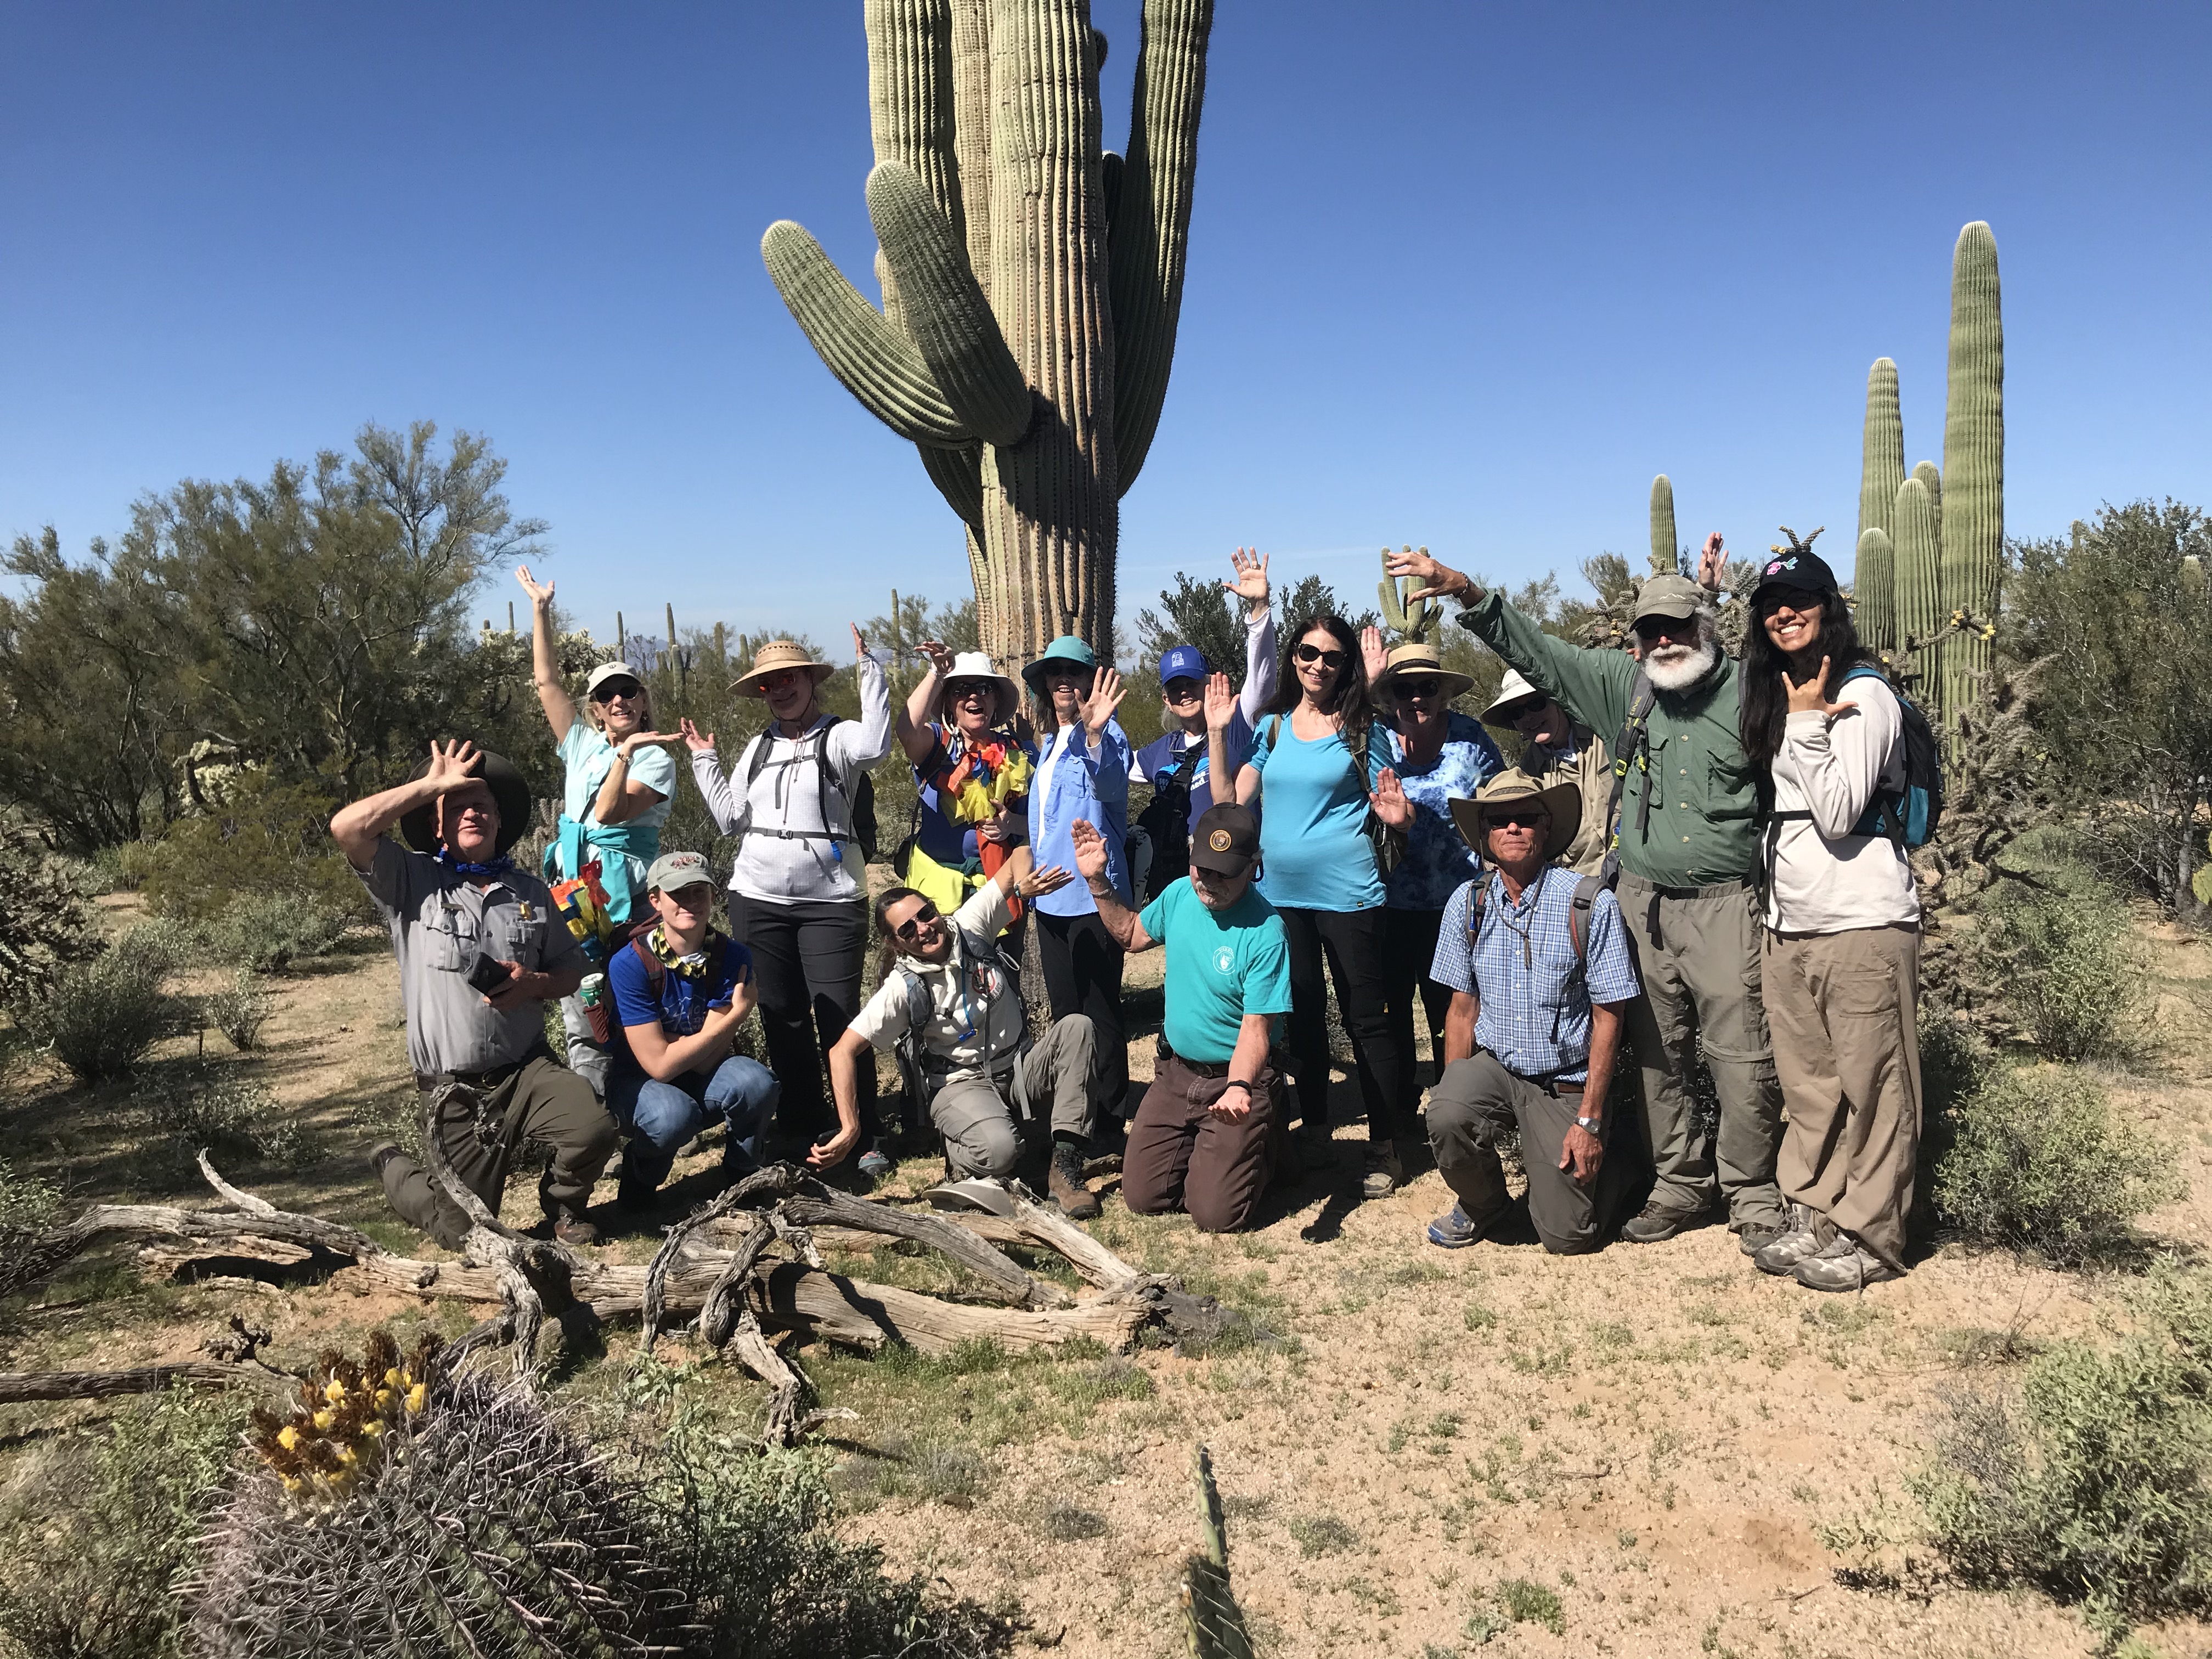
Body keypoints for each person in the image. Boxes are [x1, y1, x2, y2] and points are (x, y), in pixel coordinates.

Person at [1387, 538, 1790, 1256]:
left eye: (1679, 626)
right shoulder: (1625, 688)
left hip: (1726, 903)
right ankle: (1679, 1184)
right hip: (1640, 901)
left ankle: (1753, 1196)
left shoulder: (1753, 692)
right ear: (1635, 644)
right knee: (1660, 1053)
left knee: (1740, 1055)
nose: (1665, 641)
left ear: (1708, 627)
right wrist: (1465, 590)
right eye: (1651, 631)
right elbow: (1539, 654)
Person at [335, 740, 617, 1250]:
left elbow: (571, 974)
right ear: (437, 823)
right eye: (458, 804)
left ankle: (565, 1207)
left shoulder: (528, 891)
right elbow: (347, 829)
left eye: (483, 805)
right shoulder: (411, 880)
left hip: (526, 1072)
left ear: (498, 820)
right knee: (461, 1234)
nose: (473, 812)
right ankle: (394, 1166)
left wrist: (536, 984)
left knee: (592, 1128)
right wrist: (428, 786)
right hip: (455, 1091)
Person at [1736, 541, 1923, 1291]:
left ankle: (1872, 1236)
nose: (1785, 614)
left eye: (1801, 600)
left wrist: (1810, 723)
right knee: (1811, 1084)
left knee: (1876, 1085)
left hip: (1862, 920)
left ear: (1829, 607)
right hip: (1792, 920)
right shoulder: (1779, 691)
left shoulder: (1864, 695)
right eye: (1772, 605)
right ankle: (1816, 1213)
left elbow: (1843, 812)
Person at [1211, 617, 1415, 1193]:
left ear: (1346, 665)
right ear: (1295, 658)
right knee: (1301, 1019)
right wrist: (1218, 733)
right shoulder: (1272, 728)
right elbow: (1229, 801)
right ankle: (1318, 1131)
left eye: (1332, 657)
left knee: (1365, 1021)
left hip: (1349, 896)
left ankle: (1383, 1147)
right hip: (1281, 898)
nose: (1318, 665)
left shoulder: (1361, 727)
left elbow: (1391, 801)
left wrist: (1405, 817)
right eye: (1308, 652)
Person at [684, 629, 893, 1178]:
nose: (781, 689)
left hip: (831, 900)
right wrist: (705, 761)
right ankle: (803, 1127)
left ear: (810, 681)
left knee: (841, 1020)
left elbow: (877, 747)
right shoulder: (757, 749)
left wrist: (870, 669)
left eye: (790, 678)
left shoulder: (841, 738)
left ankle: (863, 1132)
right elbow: (731, 819)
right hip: (757, 897)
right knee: (783, 1019)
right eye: (769, 683)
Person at [1423, 775, 1642, 1254]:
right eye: (1500, 820)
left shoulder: (1588, 903)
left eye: (1528, 818)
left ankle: (1620, 1158)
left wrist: (1588, 1120)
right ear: (1485, 835)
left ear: (1547, 830)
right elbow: (1461, 1013)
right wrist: (1455, 1100)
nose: (1514, 828)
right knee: (1445, 1112)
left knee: (1566, 1238)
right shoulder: (1468, 903)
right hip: (1499, 1067)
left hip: (1566, 1080)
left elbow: (1610, 1017)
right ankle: (1483, 1204)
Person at [822, 846, 1103, 1218]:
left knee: (1077, 1029)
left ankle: (1065, 1169)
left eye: (926, 914)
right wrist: (850, 1126)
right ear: (896, 943)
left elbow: (1020, 853)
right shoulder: (901, 988)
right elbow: (842, 1050)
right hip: (959, 1084)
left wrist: (1021, 886)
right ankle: (964, 1159)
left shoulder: (969, 924)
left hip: (1018, 1067)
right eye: (908, 929)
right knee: (1002, 1152)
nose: (924, 928)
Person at [1073, 805, 1292, 1233]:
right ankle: (1218, 1150)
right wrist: (1096, 880)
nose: (1210, 882)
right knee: (1143, 1197)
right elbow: (1131, 935)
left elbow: (1257, 1028)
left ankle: (1268, 1143)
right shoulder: (1179, 895)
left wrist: (1240, 1086)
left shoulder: (1267, 933)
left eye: (1224, 873)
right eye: (1203, 868)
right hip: (1175, 1074)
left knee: (1215, 1216)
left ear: (1253, 867)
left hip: (1232, 1080)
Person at [514, 566, 679, 1099]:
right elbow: (546, 683)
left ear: (643, 699)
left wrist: (624, 756)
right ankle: (599, 1117)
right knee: (584, 1005)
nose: (618, 701)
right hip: (575, 899)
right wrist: (541, 611)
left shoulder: (654, 757)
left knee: (636, 996)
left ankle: (655, 1101)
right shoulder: (582, 743)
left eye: (628, 691)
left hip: (628, 900)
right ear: (594, 708)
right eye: (607, 695)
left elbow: (609, 814)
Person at [1361, 633, 1503, 1187]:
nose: (1416, 699)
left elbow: (1498, 807)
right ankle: (1398, 1122)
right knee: (1392, 1013)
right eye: (1404, 689)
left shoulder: (1470, 742)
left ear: (1443, 694)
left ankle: (1458, 1114)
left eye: (1426, 688)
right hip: (1388, 902)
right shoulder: (1377, 743)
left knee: (1455, 1014)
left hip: (1459, 904)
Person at [602, 851, 782, 1209]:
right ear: (655, 900)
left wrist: (675, 1045)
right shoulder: (630, 963)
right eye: (677, 894)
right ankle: (641, 1177)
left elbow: (703, 1064)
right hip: (636, 1082)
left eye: (699, 892)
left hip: (703, 1072)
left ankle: (744, 1173)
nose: (690, 903)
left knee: (757, 1083)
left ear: (713, 896)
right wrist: (737, 1014)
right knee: (673, 1116)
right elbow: (658, 1067)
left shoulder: (733, 957)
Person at [1020, 635, 1136, 1132]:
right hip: (1049, 903)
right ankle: (1075, 1122)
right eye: (1054, 672)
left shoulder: (1108, 737)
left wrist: (1095, 731)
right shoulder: (1046, 747)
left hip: (1093, 899)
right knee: (1069, 1018)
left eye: (1074, 670)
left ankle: (1110, 1126)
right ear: (1046, 685)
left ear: (1091, 678)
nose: (1063, 679)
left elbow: (1111, 785)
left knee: (1102, 1015)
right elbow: (1045, 824)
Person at [1131, 548, 1278, 901]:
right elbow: (1109, 766)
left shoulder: (1240, 722)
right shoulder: (1158, 752)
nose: (1184, 693)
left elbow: (1262, 674)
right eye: (1174, 688)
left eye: (1191, 684)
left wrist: (1258, 611)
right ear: (1166, 699)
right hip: (1188, 883)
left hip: (1241, 878)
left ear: (1208, 684)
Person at [895, 643, 1033, 900]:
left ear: (995, 699)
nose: (973, 697)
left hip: (1000, 890)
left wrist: (1011, 824)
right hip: (937, 895)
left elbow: (1043, 821)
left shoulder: (1016, 751)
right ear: (948, 702)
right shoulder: (938, 743)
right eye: (960, 690)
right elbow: (907, 730)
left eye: (983, 689)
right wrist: (936, 672)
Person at [1483, 668, 1613, 877]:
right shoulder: (1527, 777)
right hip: (1582, 888)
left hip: (1635, 880)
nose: (1529, 718)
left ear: (1558, 700)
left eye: (1536, 704)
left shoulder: (1607, 737)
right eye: (1517, 713)